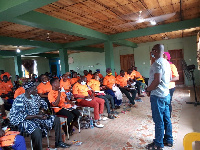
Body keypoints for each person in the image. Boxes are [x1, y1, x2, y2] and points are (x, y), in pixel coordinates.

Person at [10, 82, 70, 150]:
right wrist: (37, 116)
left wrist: (41, 111)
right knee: (36, 129)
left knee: (55, 119)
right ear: (29, 91)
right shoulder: (19, 100)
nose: (37, 91)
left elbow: (44, 104)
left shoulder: (35, 97)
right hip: (23, 121)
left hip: (37, 117)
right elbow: (20, 116)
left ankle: (59, 142)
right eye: (35, 89)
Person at [145, 44, 173, 149]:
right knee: (166, 118)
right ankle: (168, 140)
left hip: (157, 96)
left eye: (152, 51)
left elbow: (157, 80)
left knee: (158, 120)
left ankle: (158, 144)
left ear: (156, 51)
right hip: (166, 94)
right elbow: (170, 78)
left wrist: (148, 89)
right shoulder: (166, 62)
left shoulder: (157, 63)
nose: (152, 53)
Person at [163, 52, 179, 117]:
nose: (162, 57)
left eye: (164, 56)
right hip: (162, 87)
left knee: (168, 102)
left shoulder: (172, 66)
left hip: (169, 87)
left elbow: (176, 77)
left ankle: (168, 116)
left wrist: (166, 80)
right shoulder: (160, 65)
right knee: (162, 102)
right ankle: (163, 115)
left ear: (167, 57)